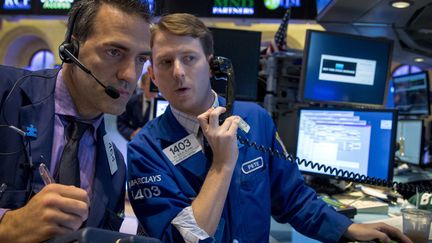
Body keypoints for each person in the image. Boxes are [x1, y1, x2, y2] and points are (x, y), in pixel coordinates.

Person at [127, 13, 412, 243]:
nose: (178, 71)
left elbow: (293, 199)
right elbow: (176, 238)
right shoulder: (146, 149)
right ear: (152, 74)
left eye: (189, 58)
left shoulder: (256, 120)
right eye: (165, 61)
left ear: (212, 66)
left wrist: (345, 228)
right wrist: (222, 166)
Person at [0, 0, 151, 242]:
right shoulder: (5, 93)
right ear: (72, 46)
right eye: (114, 52)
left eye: (141, 59)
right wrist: (8, 227)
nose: (130, 75)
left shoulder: (115, 169)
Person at [117, 67, 157, 141]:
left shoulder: (164, 103)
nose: (153, 88)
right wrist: (132, 133)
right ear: (142, 85)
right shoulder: (131, 101)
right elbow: (121, 123)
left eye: (155, 84)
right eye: (150, 84)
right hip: (135, 143)